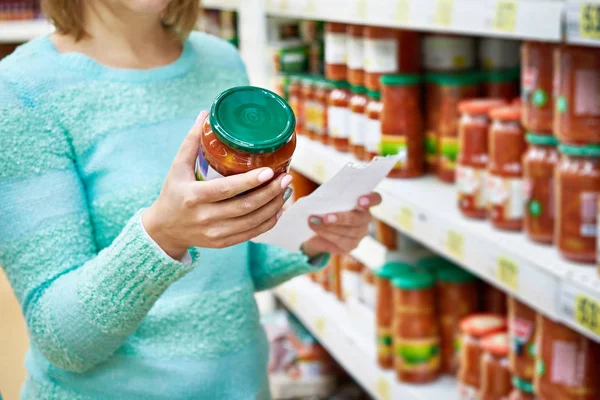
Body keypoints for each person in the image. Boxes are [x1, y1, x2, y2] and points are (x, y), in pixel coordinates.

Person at [0, 1, 381, 399]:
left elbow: (231, 268)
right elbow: (62, 341)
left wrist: (309, 235)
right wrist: (163, 236)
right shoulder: (21, 91)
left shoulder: (220, 62)